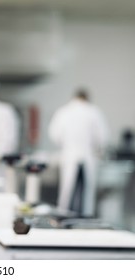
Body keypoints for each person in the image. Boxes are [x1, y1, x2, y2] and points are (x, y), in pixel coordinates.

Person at [48, 88, 109, 217]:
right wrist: (95, 148)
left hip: (69, 154)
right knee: (86, 193)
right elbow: (102, 138)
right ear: (87, 97)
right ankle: (85, 219)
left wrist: (65, 146)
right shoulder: (94, 112)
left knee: (66, 191)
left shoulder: (63, 111)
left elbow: (54, 134)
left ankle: (63, 217)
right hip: (88, 155)